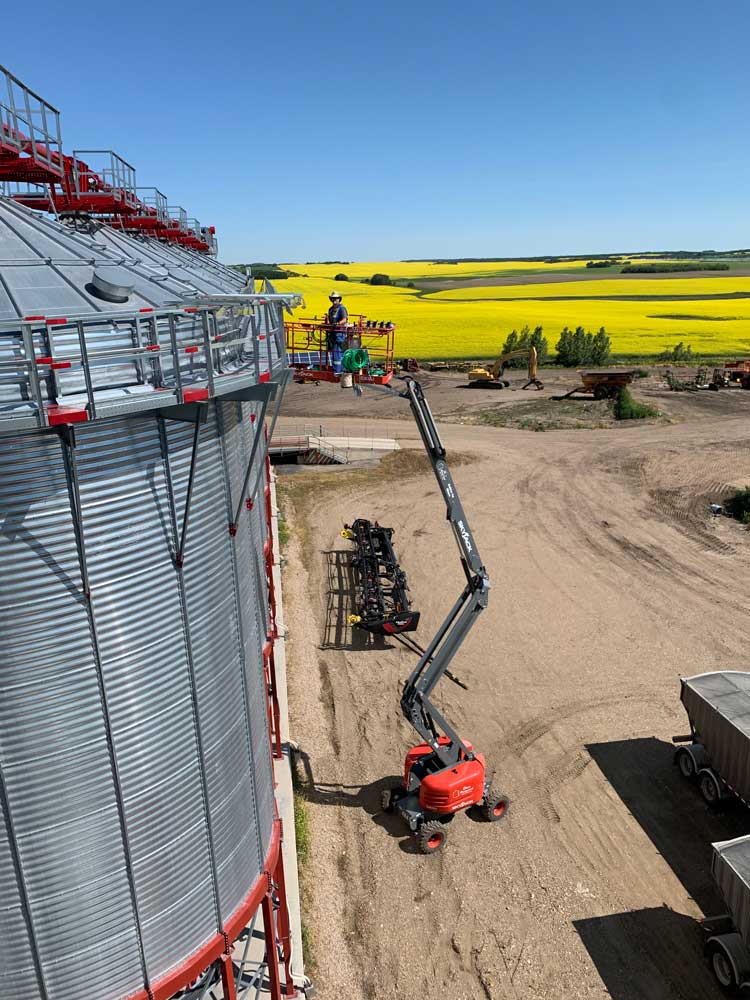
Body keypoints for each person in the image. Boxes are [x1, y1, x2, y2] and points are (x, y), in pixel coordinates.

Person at [326, 290, 348, 374]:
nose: (334, 300)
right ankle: (338, 370)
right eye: (333, 299)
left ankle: (338, 372)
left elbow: (344, 319)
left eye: (336, 299)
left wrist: (337, 323)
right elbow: (330, 320)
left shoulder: (342, 308)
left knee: (338, 352)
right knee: (335, 352)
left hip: (340, 334)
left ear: (339, 299)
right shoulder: (330, 309)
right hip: (332, 334)